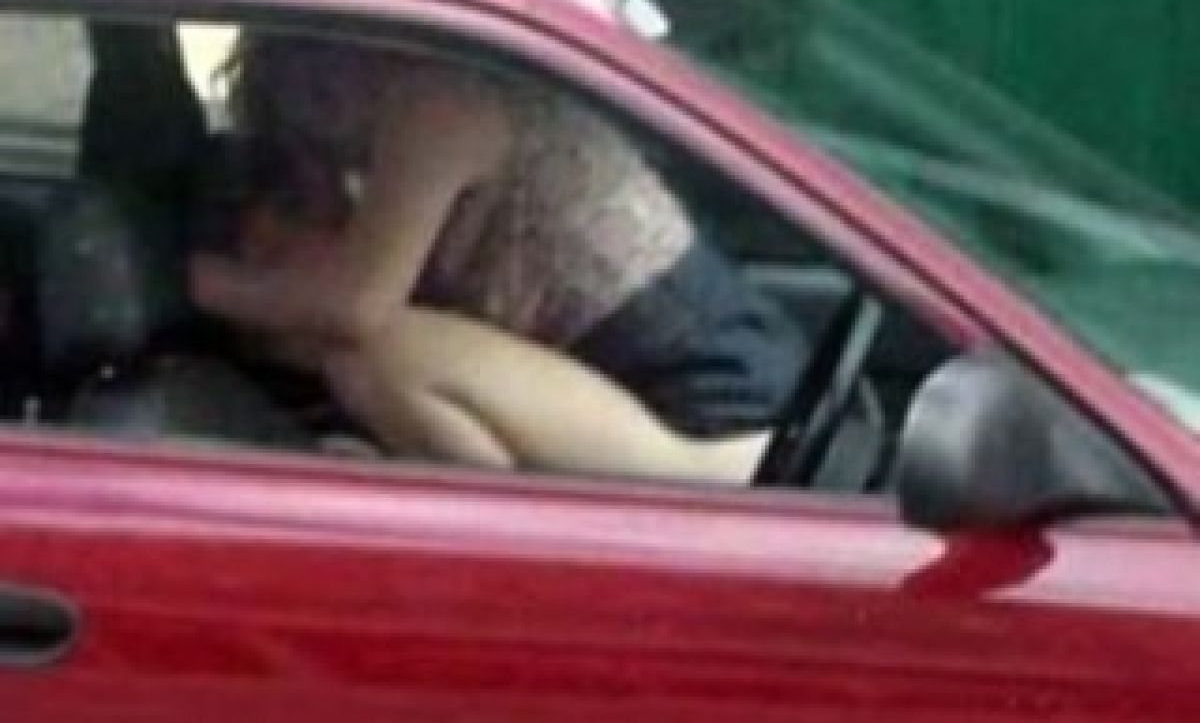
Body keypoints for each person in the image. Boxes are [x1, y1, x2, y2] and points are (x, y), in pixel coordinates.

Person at [188, 31, 805, 483]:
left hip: (710, 415)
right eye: (295, 85)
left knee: (371, 352)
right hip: (702, 370)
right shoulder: (393, 123)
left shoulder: (438, 103)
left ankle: (486, 527)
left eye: (323, 69)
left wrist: (184, 278)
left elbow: (355, 308)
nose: (317, 100)